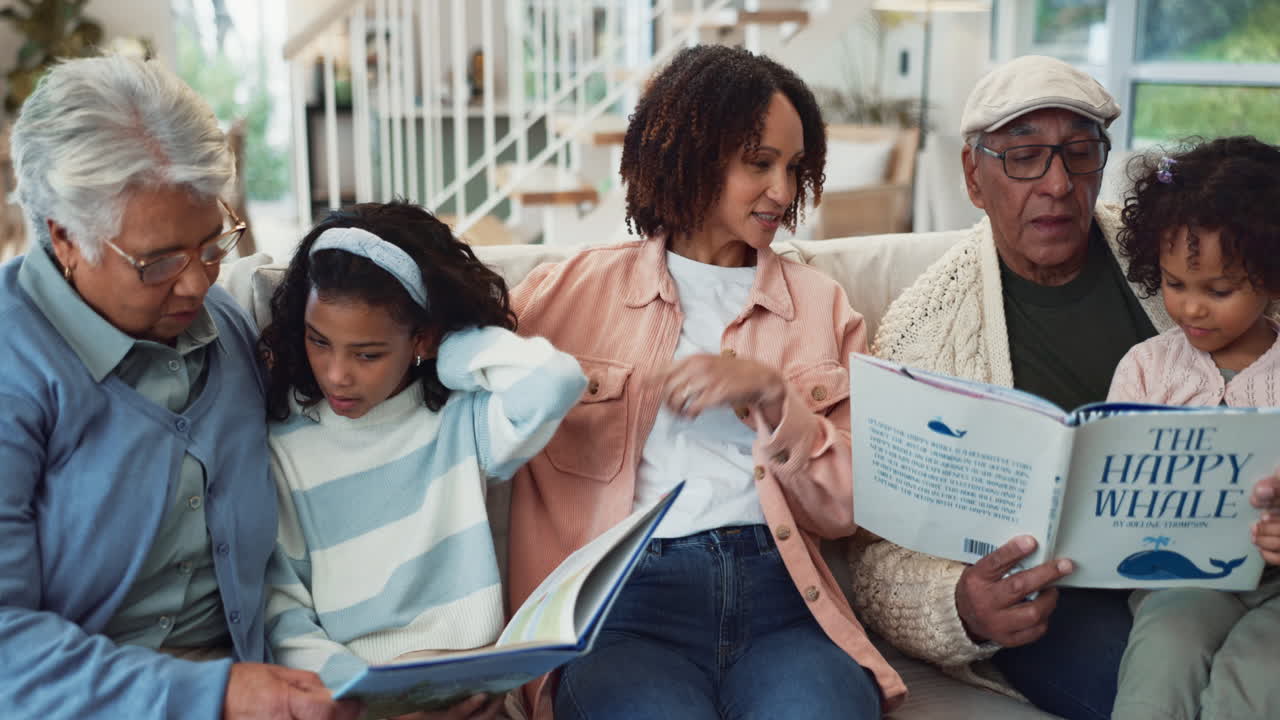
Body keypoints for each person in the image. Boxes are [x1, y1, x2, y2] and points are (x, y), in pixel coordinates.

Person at [506, 45, 903, 720]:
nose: (782, 190)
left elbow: (851, 509)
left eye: (793, 167)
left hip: (784, 605)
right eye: (759, 162)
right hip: (626, 612)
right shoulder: (567, 294)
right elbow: (438, 354)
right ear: (690, 153)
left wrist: (777, 399)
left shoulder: (821, 306)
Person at [0, 56, 357, 719]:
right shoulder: (15, 371)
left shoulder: (224, 327)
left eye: (212, 243)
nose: (197, 283)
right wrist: (213, 694)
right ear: (64, 238)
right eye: (158, 261)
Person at [848, 54, 1169, 720]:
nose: (1056, 184)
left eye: (1079, 154)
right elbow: (874, 559)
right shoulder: (923, 329)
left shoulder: (1168, 259)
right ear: (973, 174)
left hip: (1194, 571)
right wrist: (963, 605)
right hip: (1052, 602)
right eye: (1024, 157)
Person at [259, 202, 586, 720]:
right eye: (319, 341)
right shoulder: (285, 446)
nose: (337, 374)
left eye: (367, 354)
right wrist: (366, 702)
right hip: (359, 704)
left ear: (420, 339)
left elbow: (554, 384)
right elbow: (284, 616)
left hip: (473, 694)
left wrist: (450, 350)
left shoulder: (460, 420)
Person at [1105, 137, 1280, 720]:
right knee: (1161, 660)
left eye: (1219, 291)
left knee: (1257, 679)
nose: (1192, 309)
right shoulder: (1147, 368)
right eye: (1177, 284)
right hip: (1181, 579)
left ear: (1272, 280)